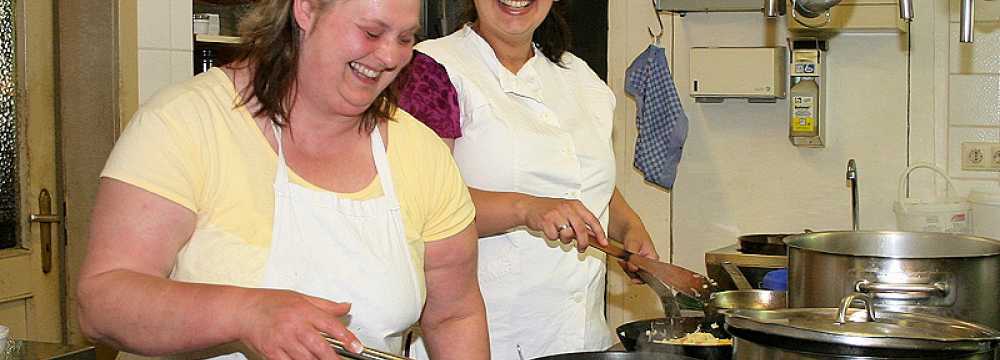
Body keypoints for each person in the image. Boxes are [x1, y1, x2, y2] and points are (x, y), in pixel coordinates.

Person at [75, 1, 489, 359]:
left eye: (404, 38)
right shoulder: (185, 124)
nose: (388, 56)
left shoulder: (420, 152)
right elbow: (103, 302)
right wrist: (245, 313)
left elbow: (454, 314)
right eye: (371, 31)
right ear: (306, 9)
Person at [410, 0, 659, 358]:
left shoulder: (579, 75)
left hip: (583, 339)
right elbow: (418, 203)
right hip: (483, 340)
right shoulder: (432, 69)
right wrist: (525, 209)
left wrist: (629, 228)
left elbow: (582, 176)